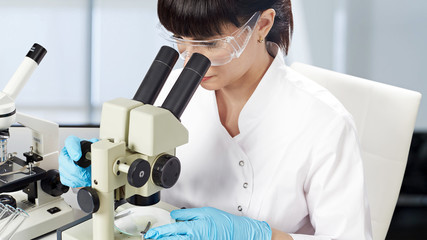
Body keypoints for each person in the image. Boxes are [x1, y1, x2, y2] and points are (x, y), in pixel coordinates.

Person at [59, 0, 373, 239]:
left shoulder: (324, 123)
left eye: (210, 43)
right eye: (180, 38)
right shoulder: (170, 89)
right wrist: (100, 168)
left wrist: (255, 235)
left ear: (262, 24)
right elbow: (137, 186)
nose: (190, 57)